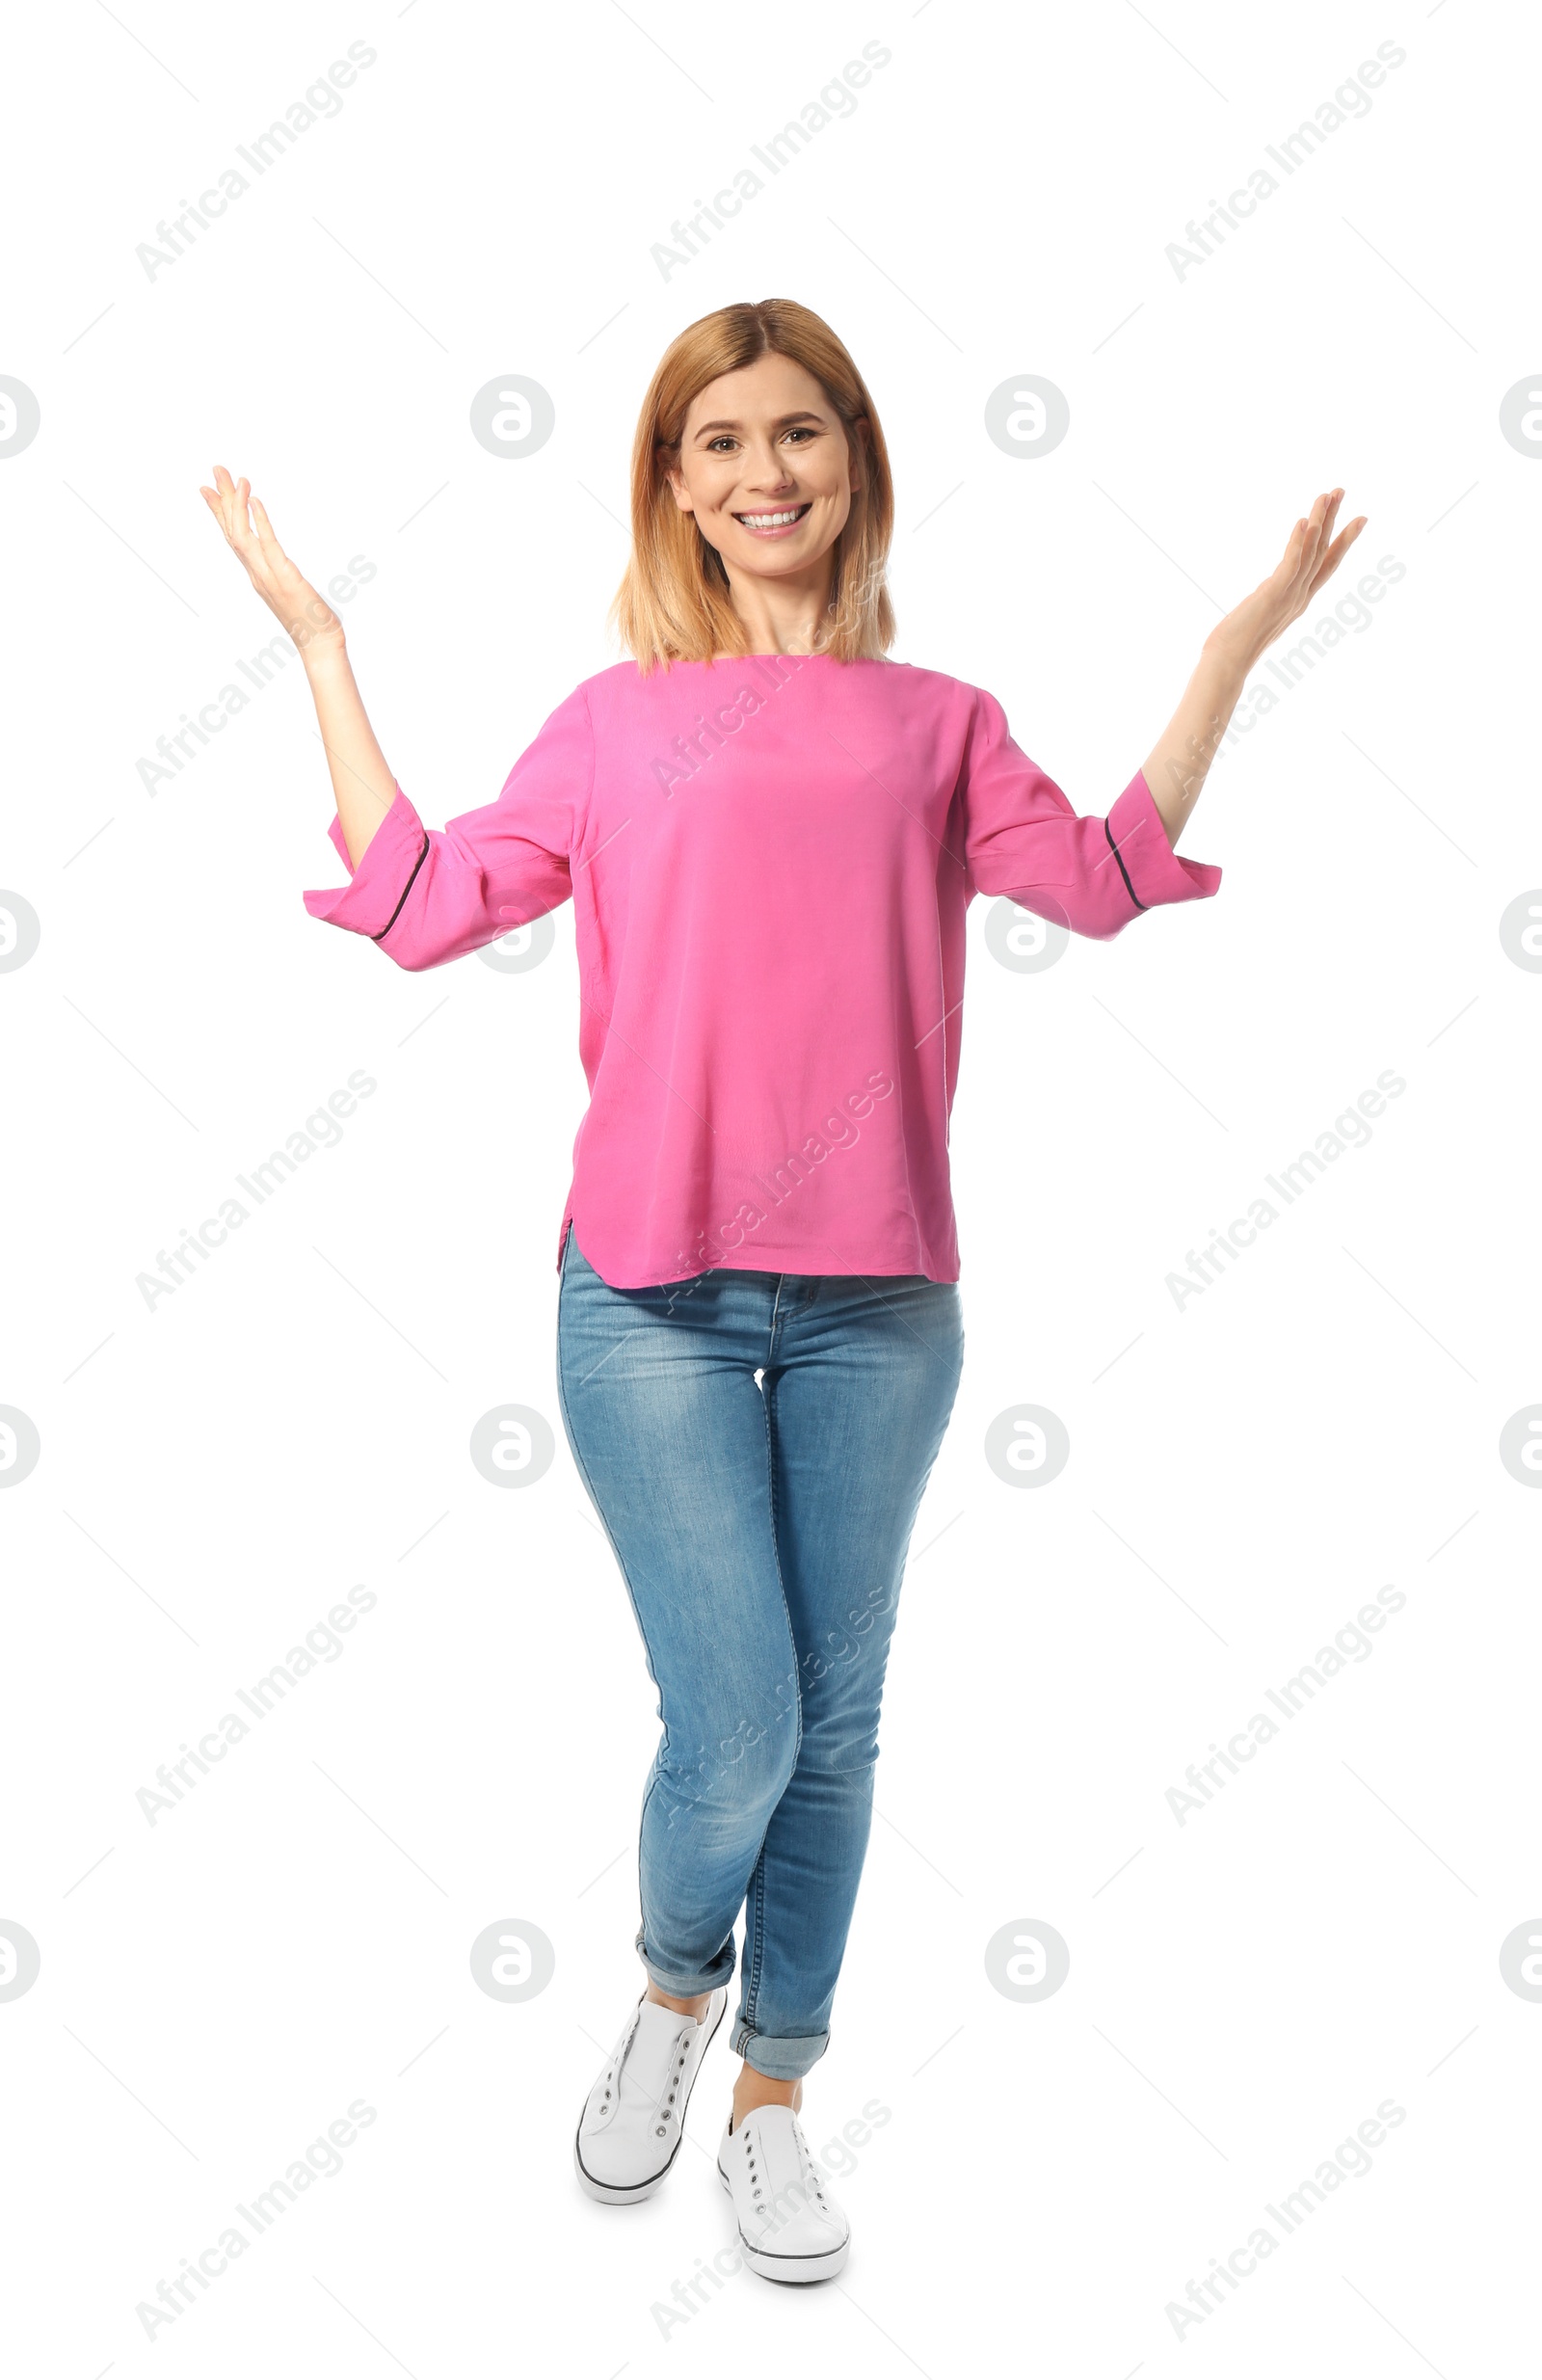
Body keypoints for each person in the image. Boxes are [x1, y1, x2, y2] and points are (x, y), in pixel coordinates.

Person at [199, 298, 1365, 2285]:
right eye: (722, 441)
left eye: (801, 435)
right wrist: (319, 646)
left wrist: (1224, 653)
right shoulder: (607, 722)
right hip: (643, 1292)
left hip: (877, 1305)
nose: (766, 473)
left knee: (835, 1725)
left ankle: (771, 2091)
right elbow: (420, 909)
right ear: (670, 478)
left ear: (855, 462)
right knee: (730, 1720)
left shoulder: (936, 725)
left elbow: (1089, 882)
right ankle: (671, 1989)